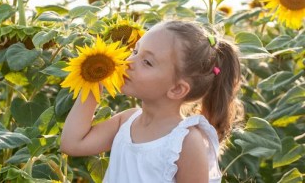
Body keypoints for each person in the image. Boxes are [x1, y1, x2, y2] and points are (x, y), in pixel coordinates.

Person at [60, 20, 242, 183]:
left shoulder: (185, 142)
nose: (129, 61)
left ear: (176, 89)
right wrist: (93, 82)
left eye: (147, 62)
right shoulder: (126, 121)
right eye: (135, 51)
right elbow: (72, 144)